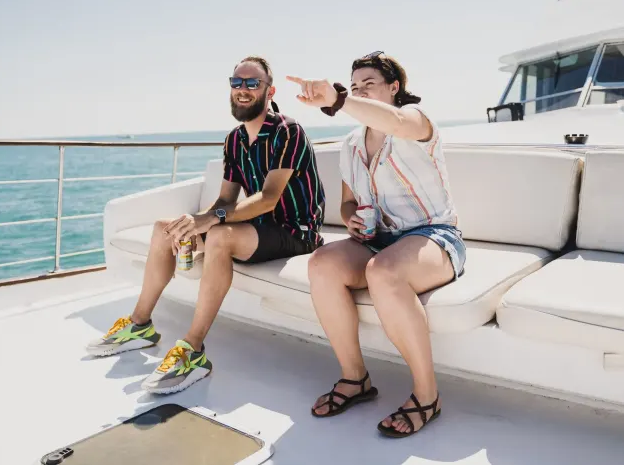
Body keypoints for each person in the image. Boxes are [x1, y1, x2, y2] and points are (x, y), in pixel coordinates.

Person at [86, 56, 326, 395]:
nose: (242, 89)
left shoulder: (288, 132)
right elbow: (226, 202)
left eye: (252, 83)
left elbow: (269, 199)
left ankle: (193, 350)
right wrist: (194, 225)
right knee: (164, 228)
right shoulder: (234, 140)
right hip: (253, 229)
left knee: (219, 236)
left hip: (295, 232)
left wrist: (211, 222)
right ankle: (140, 325)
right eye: (237, 82)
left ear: (269, 91)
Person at [287, 51, 466, 438]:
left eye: (369, 85)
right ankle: (355, 379)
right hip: (377, 238)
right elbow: (348, 201)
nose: (360, 92)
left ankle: (427, 396)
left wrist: (337, 99)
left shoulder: (415, 121)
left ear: (393, 87)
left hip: (434, 236)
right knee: (321, 263)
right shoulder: (351, 144)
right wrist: (351, 217)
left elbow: (395, 120)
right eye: (354, 87)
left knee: (382, 272)